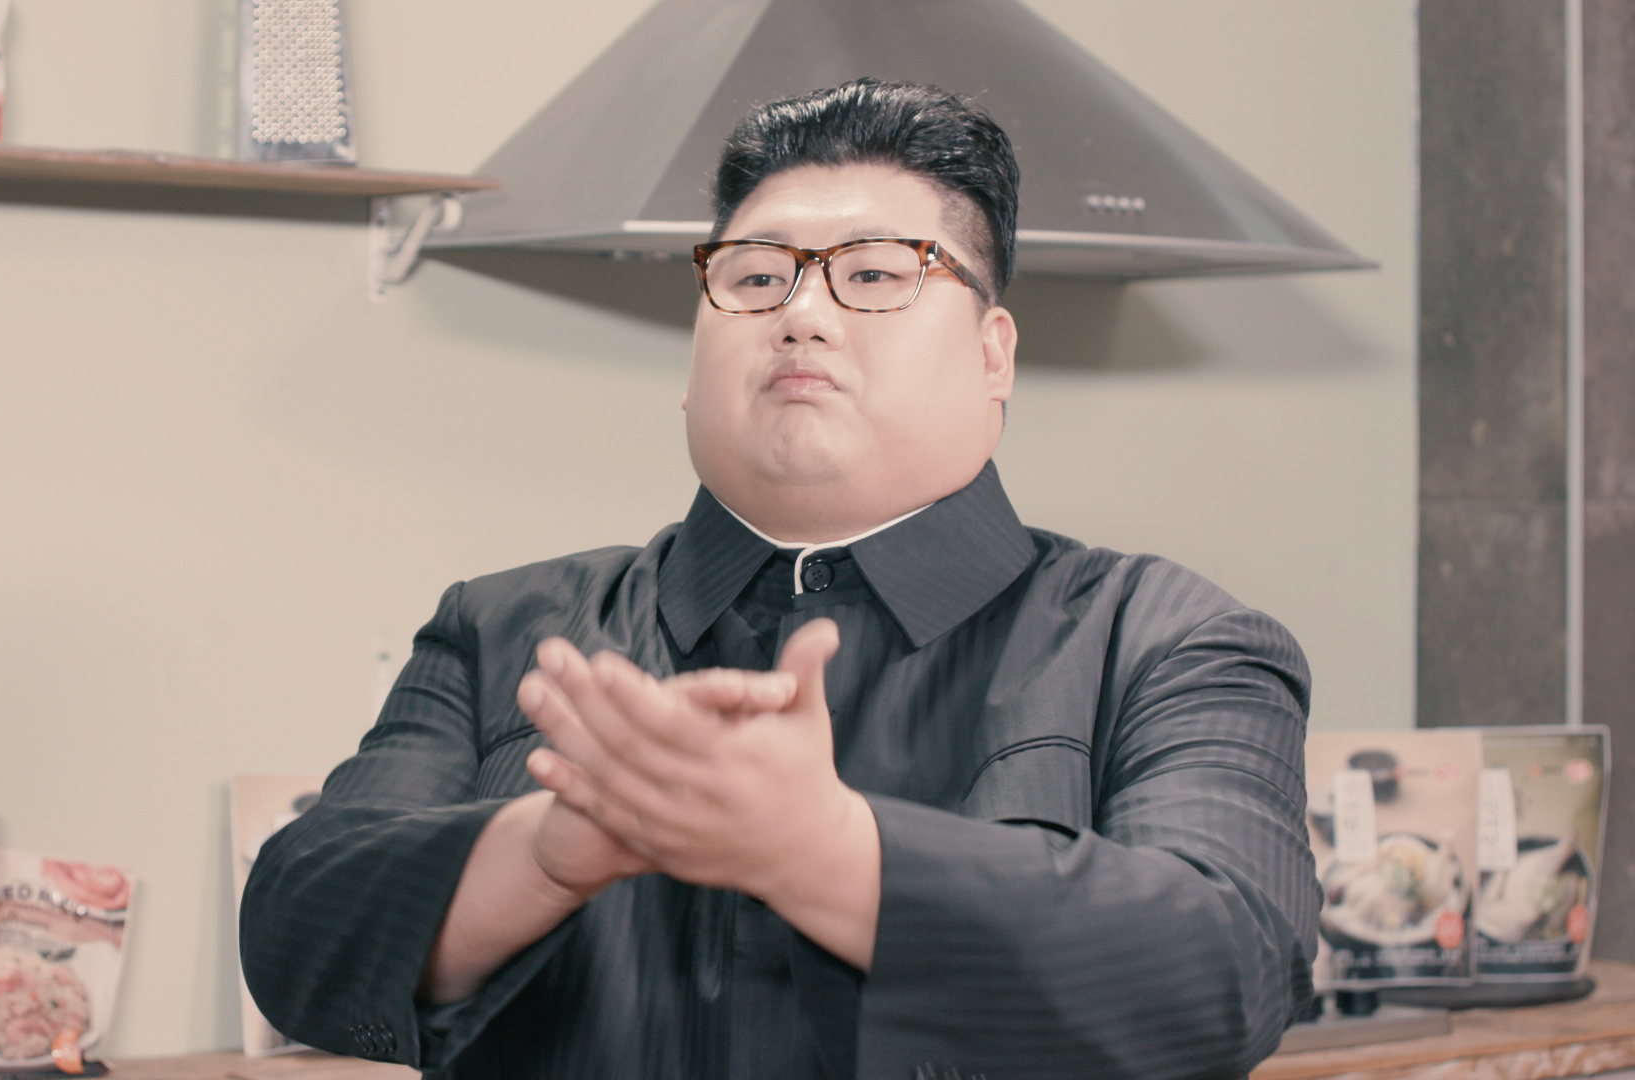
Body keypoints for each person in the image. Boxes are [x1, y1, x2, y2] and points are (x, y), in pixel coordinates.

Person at [240, 79, 1319, 1080]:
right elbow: (294, 938)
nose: (801, 313)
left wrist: (826, 854)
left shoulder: (1164, 639)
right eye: (755, 277)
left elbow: (1223, 973)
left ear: (994, 355)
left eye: (875, 274)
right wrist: (545, 852)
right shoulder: (507, 628)